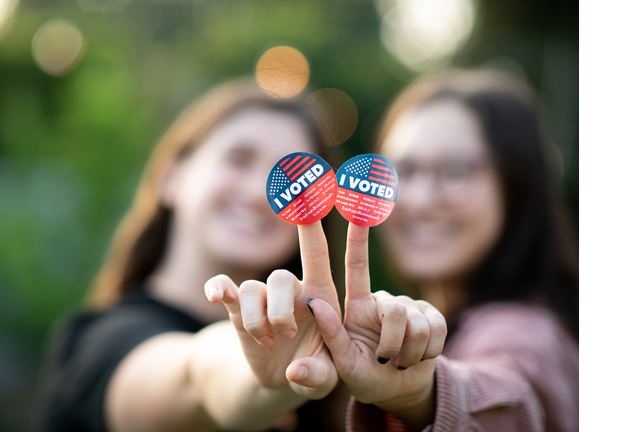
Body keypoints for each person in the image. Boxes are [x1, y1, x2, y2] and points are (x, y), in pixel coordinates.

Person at [213, 69, 578, 431]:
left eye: (455, 170)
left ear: (518, 187)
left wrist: (425, 396)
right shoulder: (449, 323)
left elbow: (516, 394)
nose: (419, 199)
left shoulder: (527, 332)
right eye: (401, 170)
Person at [33, 77, 349, 432]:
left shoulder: (321, 363)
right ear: (172, 175)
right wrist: (259, 380)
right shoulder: (102, 343)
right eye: (238, 160)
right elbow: (197, 378)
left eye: (292, 177)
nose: (260, 193)